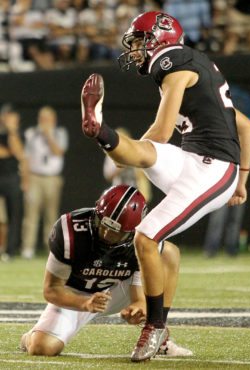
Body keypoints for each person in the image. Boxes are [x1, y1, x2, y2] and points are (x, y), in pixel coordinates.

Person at [80, 11, 250, 361]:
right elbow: (247, 127)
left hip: (212, 166)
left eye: (139, 41)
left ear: (159, 38)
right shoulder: (199, 68)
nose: (135, 51)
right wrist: (243, 182)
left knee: (146, 235)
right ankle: (101, 131)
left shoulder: (171, 60)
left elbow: (161, 132)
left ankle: (155, 326)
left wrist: (235, 179)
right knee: (145, 154)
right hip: (199, 160)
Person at [20, 184, 193, 357]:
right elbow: (51, 289)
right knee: (42, 348)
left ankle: (158, 334)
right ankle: (30, 337)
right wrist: (84, 303)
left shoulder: (141, 238)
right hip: (74, 293)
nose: (105, 233)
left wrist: (138, 308)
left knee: (168, 253)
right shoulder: (71, 231)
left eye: (115, 232)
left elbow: (139, 297)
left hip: (115, 291)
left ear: (132, 232)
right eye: (103, 224)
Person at [203, 85, 250, 258]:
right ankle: (211, 249)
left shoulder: (247, 136)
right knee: (218, 217)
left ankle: (231, 250)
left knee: (235, 219)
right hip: (223, 179)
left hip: (240, 181)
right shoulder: (225, 134)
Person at [21, 106, 69, 259]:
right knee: (31, 214)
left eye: (48, 119)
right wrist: (25, 180)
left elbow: (58, 152)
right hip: (35, 177)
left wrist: (48, 136)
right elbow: (26, 159)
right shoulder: (31, 133)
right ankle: (27, 248)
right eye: (42, 119)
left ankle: (50, 249)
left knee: (51, 215)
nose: (45, 122)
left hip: (52, 178)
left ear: (53, 120)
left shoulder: (60, 133)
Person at [0, 104, 28, 261]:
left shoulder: (20, 134)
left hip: (12, 178)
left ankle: (10, 251)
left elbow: (19, 153)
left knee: (14, 216)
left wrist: (12, 132)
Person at [103, 127, 152, 202]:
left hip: (136, 191)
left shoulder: (135, 151)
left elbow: (144, 172)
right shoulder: (111, 155)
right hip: (120, 192)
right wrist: (121, 164)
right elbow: (108, 175)